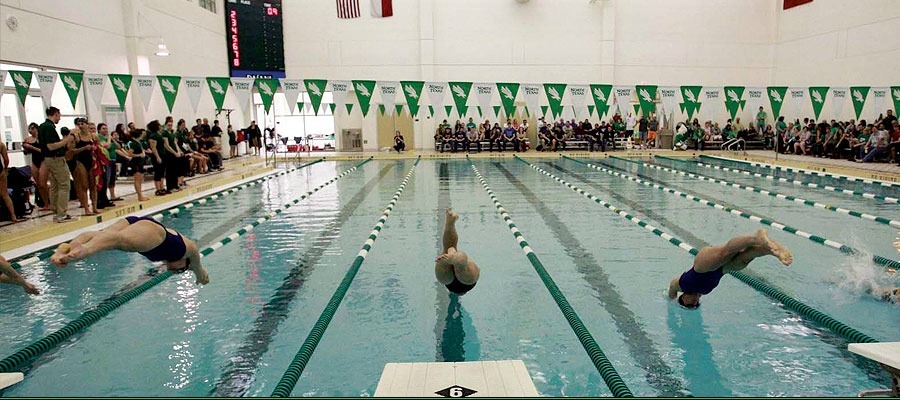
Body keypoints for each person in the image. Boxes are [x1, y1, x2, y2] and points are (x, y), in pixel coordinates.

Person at [50, 215, 209, 285]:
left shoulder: (171, 254)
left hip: (139, 223)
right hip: (155, 234)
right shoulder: (182, 251)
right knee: (117, 241)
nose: (175, 271)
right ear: (185, 262)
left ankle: (64, 250)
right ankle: (83, 251)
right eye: (181, 270)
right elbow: (195, 251)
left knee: (103, 235)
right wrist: (199, 272)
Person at [668, 229, 793, 308]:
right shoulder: (704, 292)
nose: (695, 301)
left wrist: (670, 298)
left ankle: (755, 237)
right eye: (696, 304)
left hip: (702, 266)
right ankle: (776, 251)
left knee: (726, 252)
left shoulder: (681, 285)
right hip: (723, 270)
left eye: (690, 303)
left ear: (683, 297)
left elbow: (671, 287)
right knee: (746, 258)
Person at [39, 107, 75, 222]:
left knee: (55, 186)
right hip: (56, 159)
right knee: (64, 185)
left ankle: (56, 211)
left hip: (48, 159)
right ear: (55, 114)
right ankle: (61, 213)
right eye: (59, 116)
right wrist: (66, 140)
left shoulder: (42, 126)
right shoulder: (49, 127)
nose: (59, 118)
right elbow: (51, 146)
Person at [435, 208, 479, 295]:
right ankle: (450, 224)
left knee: (463, 264)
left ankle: (457, 260)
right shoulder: (450, 286)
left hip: (469, 281)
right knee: (448, 248)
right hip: (447, 282)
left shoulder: (469, 281)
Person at [23, 122, 50, 211]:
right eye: (29, 129)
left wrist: (31, 147)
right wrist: (26, 148)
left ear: (37, 129)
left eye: (32, 129)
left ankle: (50, 202)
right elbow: (26, 153)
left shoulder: (41, 139)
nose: (31, 131)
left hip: (43, 161)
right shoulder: (28, 139)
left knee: (43, 184)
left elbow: (43, 151)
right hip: (34, 161)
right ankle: (45, 203)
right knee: (38, 185)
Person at [125, 129, 150, 202]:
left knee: (140, 179)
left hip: (140, 162)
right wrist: (139, 155)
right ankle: (139, 196)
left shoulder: (138, 142)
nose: (143, 135)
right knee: (137, 179)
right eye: (142, 134)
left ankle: (141, 195)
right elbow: (129, 154)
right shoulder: (133, 143)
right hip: (136, 163)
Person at [0, 140, 18, 222]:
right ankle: (13, 215)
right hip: (0, 171)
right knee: (5, 194)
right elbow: (6, 159)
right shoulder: (1, 145)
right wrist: (5, 169)